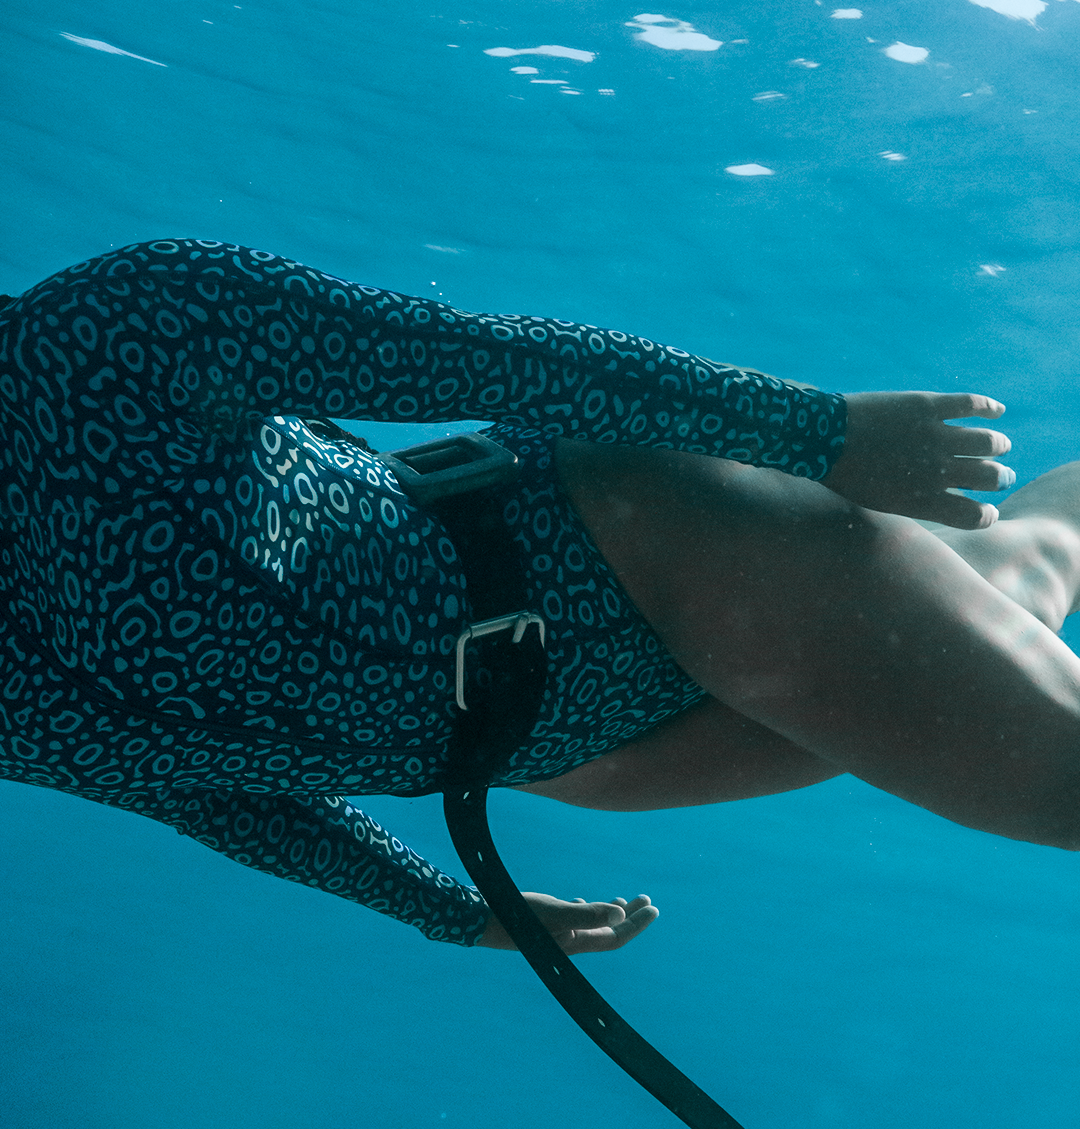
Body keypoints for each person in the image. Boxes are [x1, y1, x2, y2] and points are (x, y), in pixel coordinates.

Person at [0, 237, 1056, 962]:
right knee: (1020, 583)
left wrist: (815, 434)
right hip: (578, 760)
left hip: (648, 552)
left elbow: (477, 358)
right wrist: (452, 914)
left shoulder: (98, 339)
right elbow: (195, 787)